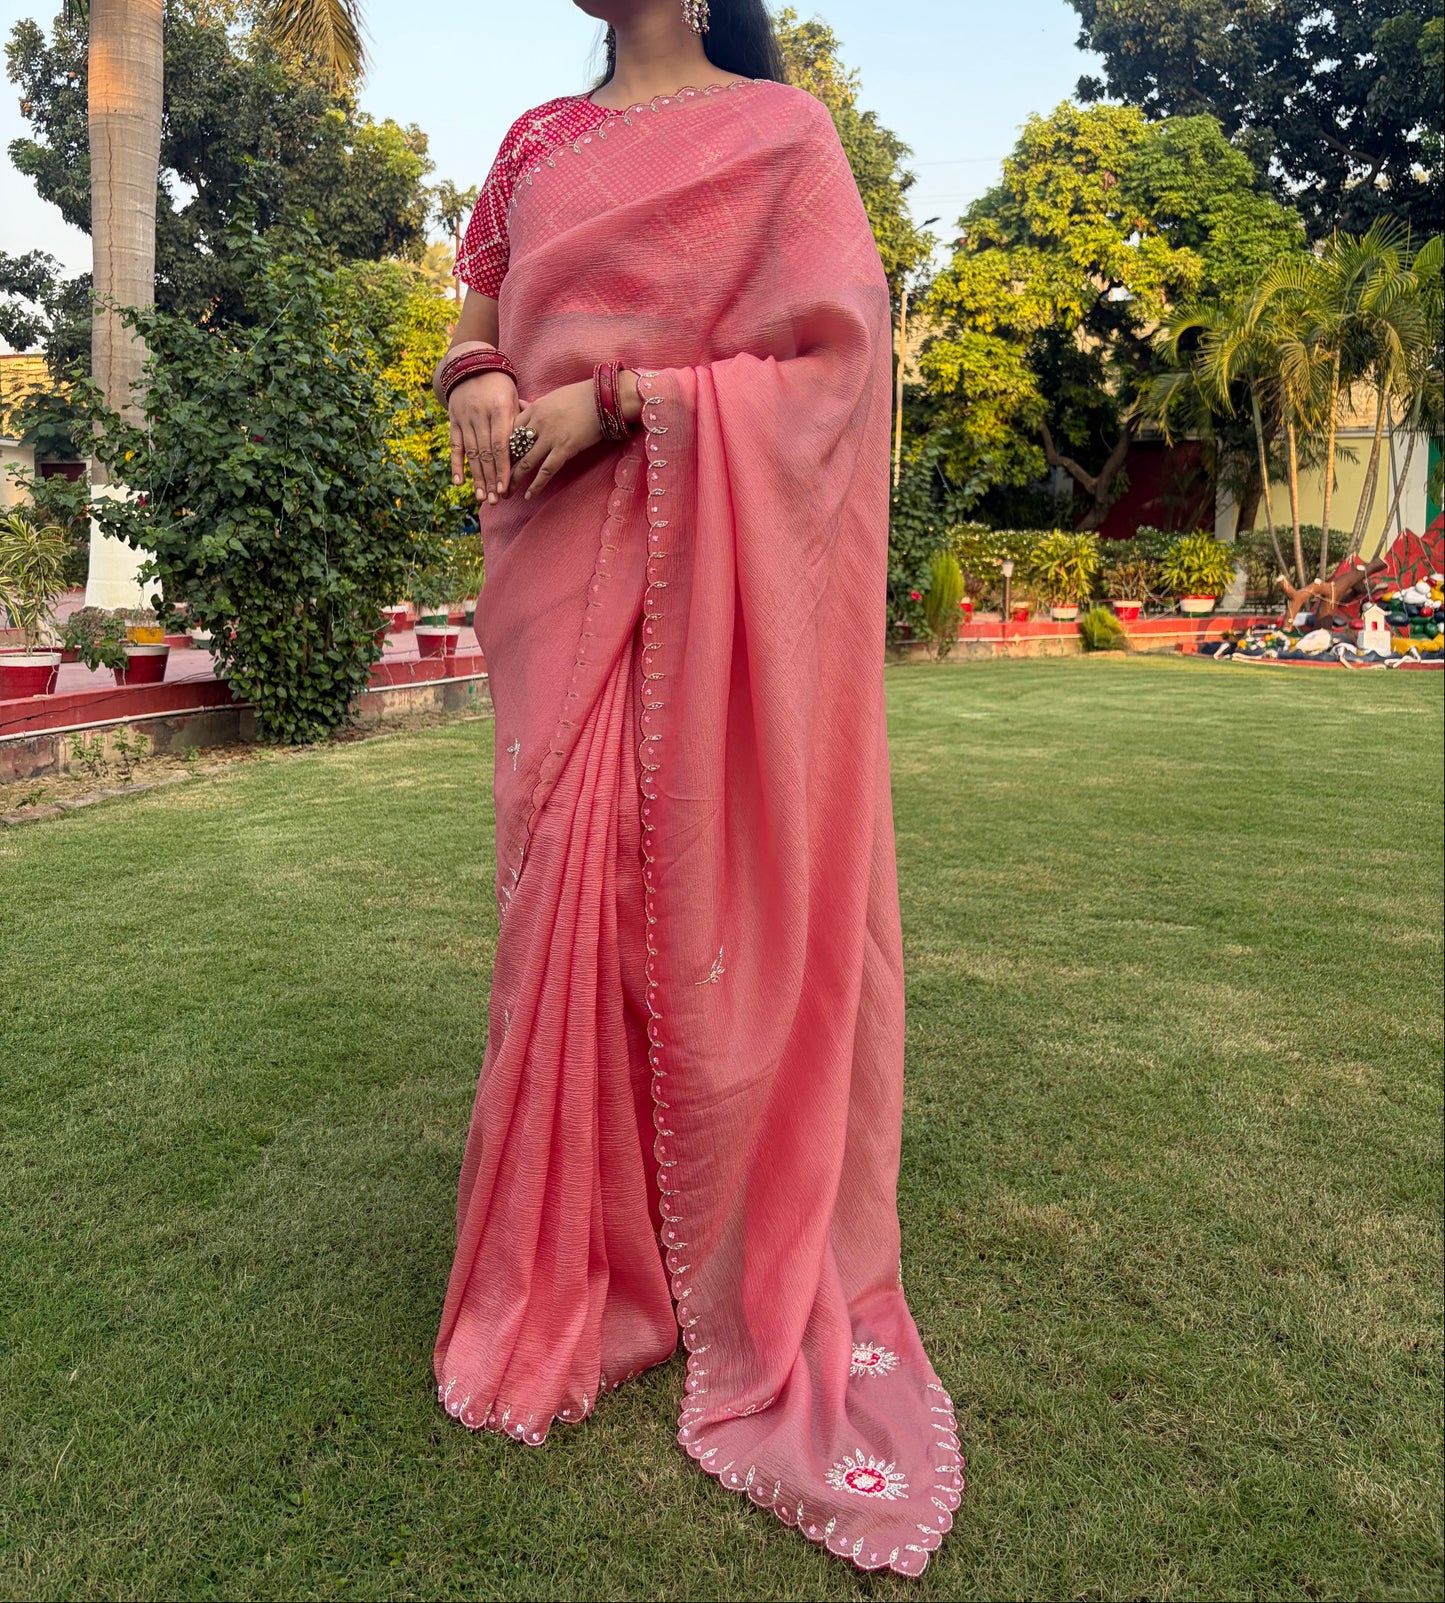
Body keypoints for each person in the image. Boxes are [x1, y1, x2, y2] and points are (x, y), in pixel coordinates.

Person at [430, 0, 963, 1576]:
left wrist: (631, 403)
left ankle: (700, 1240)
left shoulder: (781, 135)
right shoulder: (535, 136)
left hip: (678, 518)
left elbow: (831, 361)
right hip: (553, 547)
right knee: (562, 887)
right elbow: (475, 303)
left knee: (693, 878)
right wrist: (473, 373)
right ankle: (580, 1258)